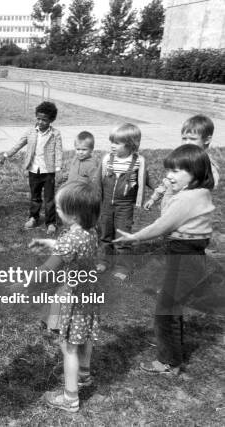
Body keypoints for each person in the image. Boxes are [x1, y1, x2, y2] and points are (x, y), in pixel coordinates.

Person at [115, 145, 214, 375]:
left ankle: (168, 362)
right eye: (169, 170)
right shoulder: (201, 194)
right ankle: (174, 356)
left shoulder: (186, 199)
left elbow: (163, 223)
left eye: (177, 171)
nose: (169, 175)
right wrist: (171, 190)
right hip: (190, 258)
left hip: (184, 259)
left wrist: (136, 236)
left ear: (196, 174)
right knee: (173, 310)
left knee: (164, 313)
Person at [29, 181, 101, 413]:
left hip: (73, 299)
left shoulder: (71, 239)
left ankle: (70, 397)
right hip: (88, 294)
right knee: (84, 337)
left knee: (69, 346)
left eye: (59, 209)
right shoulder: (90, 231)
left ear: (75, 215)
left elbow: (48, 269)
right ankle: (84, 374)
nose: (56, 212)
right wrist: (48, 242)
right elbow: (69, 246)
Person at [97, 123, 151, 280]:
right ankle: (103, 260)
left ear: (130, 144)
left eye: (117, 143)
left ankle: (122, 266)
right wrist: (95, 198)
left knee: (122, 234)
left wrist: (158, 191)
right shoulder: (107, 158)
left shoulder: (138, 161)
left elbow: (146, 180)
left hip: (125, 205)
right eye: (111, 142)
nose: (112, 146)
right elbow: (98, 179)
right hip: (106, 202)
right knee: (105, 233)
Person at [1, 101, 63, 235]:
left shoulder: (55, 134)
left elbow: (59, 150)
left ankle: (51, 222)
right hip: (34, 170)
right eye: (38, 118)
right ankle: (33, 217)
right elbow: (18, 144)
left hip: (48, 172)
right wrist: (6, 154)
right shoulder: (30, 132)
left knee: (49, 198)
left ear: (51, 120)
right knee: (35, 197)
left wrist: (58, 166)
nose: (40, 122)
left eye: (44, 120)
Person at [144, 114, 219, 211]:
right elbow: (167, 181)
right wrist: (153, 198)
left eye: (192, 139)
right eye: (184, 138)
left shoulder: (206, 164)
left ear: (207, 140)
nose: (187, 143)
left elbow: (211, 185)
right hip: (169, 207)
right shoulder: (181, 158)